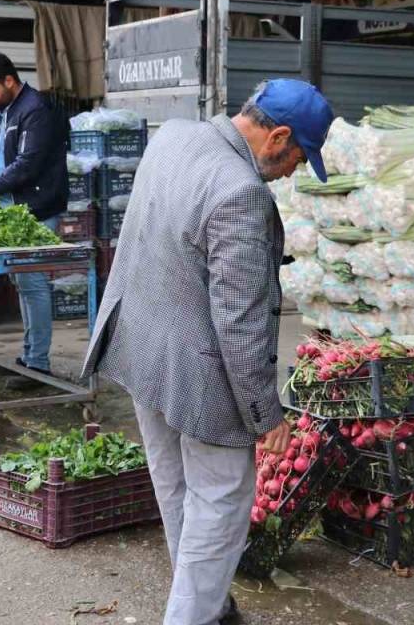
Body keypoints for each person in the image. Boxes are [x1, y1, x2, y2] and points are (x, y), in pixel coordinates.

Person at [80, 79, 333, 625]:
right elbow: (240, 322)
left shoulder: (174, 136)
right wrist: (266, 415)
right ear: (278, 137)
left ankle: (210, 606)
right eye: (297, 158)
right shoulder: (240, 191)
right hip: (198, 370)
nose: (292, 172)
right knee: (219, 503)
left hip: (140, 349)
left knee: (174, 487)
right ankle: (193, 615)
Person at [0, 51, 69, 378]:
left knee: (33, 284)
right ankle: (29, 357)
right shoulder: (4, 111)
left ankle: (38, 365)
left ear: (9, 80)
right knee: (22, 282)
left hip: (36, 210)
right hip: (12, 210)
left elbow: (27, 167)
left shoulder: (36, 110)